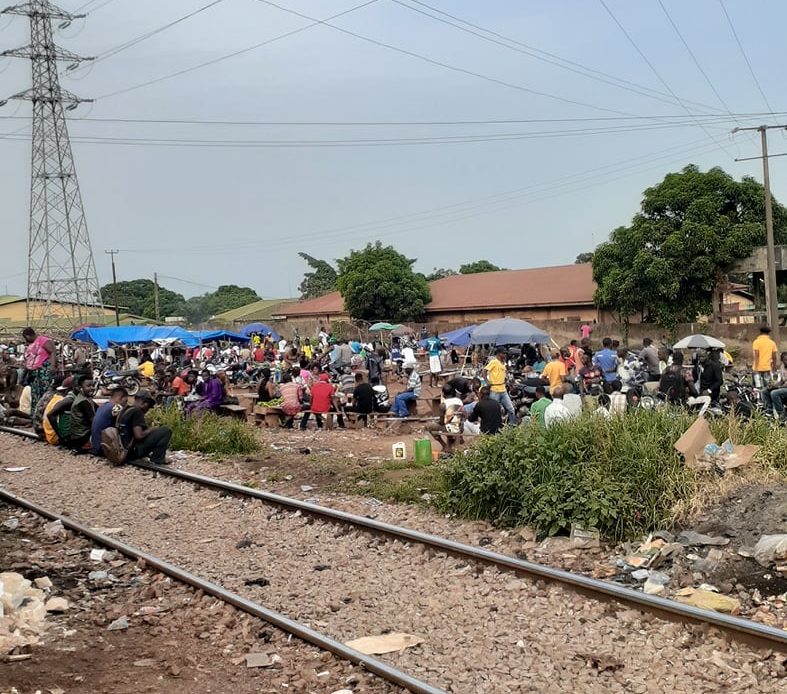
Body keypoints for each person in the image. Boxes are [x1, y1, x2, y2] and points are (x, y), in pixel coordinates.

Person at [117, 391, 172, 465]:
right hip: (131, 452)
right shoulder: (137, 412)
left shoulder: (125, 410)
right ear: (144, 403)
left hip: (122, 449)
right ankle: (158, 459)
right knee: (166, 431)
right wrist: (151, 429)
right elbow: (139, 436)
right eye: (148, 407)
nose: (147, 410)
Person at [22, 327, 57, 411]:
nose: (25, 340)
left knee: (44, 393)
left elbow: (53, 351)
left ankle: (44, 412)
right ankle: (36, 414)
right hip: (33, 373)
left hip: (43, 371)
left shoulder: (43, 340)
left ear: (28, 335)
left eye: (25, 337)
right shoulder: (31, 344)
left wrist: (52, 366)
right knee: (35, 394)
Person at [91, 387, 129, 456]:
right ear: (120, 398)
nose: (125, 404)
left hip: (95, 445)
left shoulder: (103, 405)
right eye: (125, 401)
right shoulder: (116, 408)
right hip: (102, 448)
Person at [63, 374, 96, 451]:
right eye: (88, 386)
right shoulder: (83, 402)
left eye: (93, 385)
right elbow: (93, 421)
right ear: (81, 388)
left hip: (78, 435)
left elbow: (97, 408)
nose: (92, 388)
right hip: (81, 437)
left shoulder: (85, 398)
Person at [484, 348, 516, 425]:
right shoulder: (494, 362)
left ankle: (512, 426)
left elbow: (503, 375)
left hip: (503, 390)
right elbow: (484, 371)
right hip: (494, 390)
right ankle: (493, 427)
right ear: (498, 354)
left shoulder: (503, 363)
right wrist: (487, 381)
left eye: (505, 353)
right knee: (493, 410)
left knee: (511, 409)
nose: (505, 355)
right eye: (503, 353)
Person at [761, 351, 787, 420]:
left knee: (774, 393)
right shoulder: (782, 367)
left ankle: (781, 415)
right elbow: (781, 381)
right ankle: (769, 413)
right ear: (782, 360)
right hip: (783, 388)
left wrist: (778, 387)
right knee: (765, 391)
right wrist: (773, 385)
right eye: (785, 360)